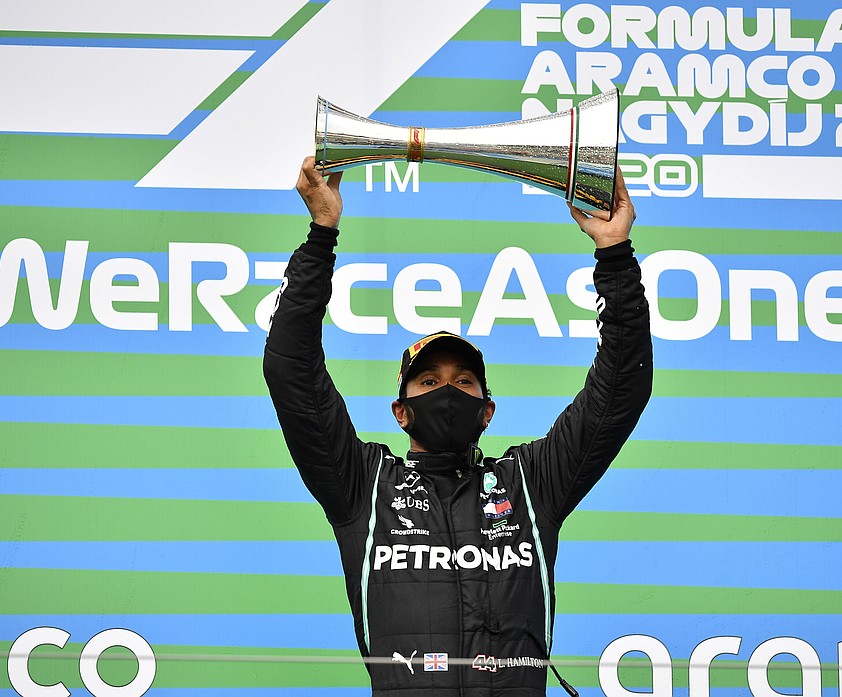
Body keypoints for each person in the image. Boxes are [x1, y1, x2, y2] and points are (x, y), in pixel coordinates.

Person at [264, 156, 652, 696]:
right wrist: (321, 235)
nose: (447, 391)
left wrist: (613, 254)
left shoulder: (530, 482)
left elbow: (621, 388)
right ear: (400, 413)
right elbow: (291, 372)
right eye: (428, 383)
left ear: (487, 410)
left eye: (464, 382)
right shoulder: (363, 486)